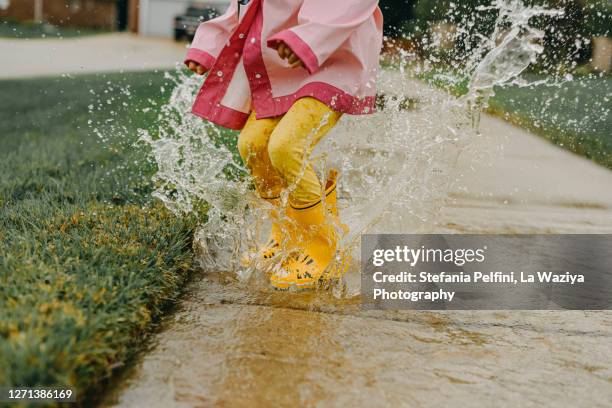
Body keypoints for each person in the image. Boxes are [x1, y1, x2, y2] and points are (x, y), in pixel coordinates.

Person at [185, 0, 383, 289]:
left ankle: (322, 244)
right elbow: (243, 8)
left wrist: (308, 37)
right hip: (283, 67)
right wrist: (209, 45)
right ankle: (288, 232)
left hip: (334, 59)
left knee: (285, 146)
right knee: (252, 145)